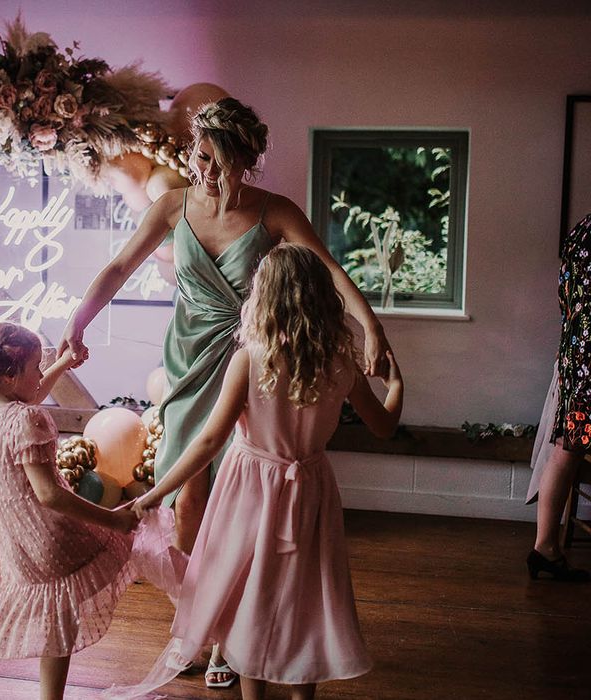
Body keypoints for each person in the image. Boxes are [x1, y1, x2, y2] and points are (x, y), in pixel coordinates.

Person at [60, 97, 391, 686]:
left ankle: (233, 640)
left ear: (243, 160)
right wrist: (79, 320)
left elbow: (329, 272)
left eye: (214, 160)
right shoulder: (172, 206)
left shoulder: (275, 212)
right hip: (189, 358)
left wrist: (371, 326)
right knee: (189, 498)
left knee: (240, 508)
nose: (202, 171)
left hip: (251, 354)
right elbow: (118, 267)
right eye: (197, 156)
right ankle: (203, 626)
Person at [104, 244, 403, 700]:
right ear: (322, 298)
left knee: (248, 594)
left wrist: (152, 494)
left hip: (249, 491)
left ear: (263, 298)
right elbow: (383, 427)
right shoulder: (341, 364)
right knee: (305, 594)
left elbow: (207, 441)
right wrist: (397, 385)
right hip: (310, 492)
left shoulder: (250, 359)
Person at [0, 322, 185, 700]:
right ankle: (202, 623)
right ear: (9, 375)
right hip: (49, 533)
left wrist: (62, 363)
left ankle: (51, 697)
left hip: (15, 536)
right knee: (136, 539)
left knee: (55, 622)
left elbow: (28, 395)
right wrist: (113, 518)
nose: (41, 376)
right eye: (35, 367)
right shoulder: (27, 420)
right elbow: (49, 495)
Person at [526, 213, 591, 583]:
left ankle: (545, 546)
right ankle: (545, 548)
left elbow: (565, 299)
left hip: (574, 355)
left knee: (566, 450)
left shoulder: (580, 230)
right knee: (568, 452)